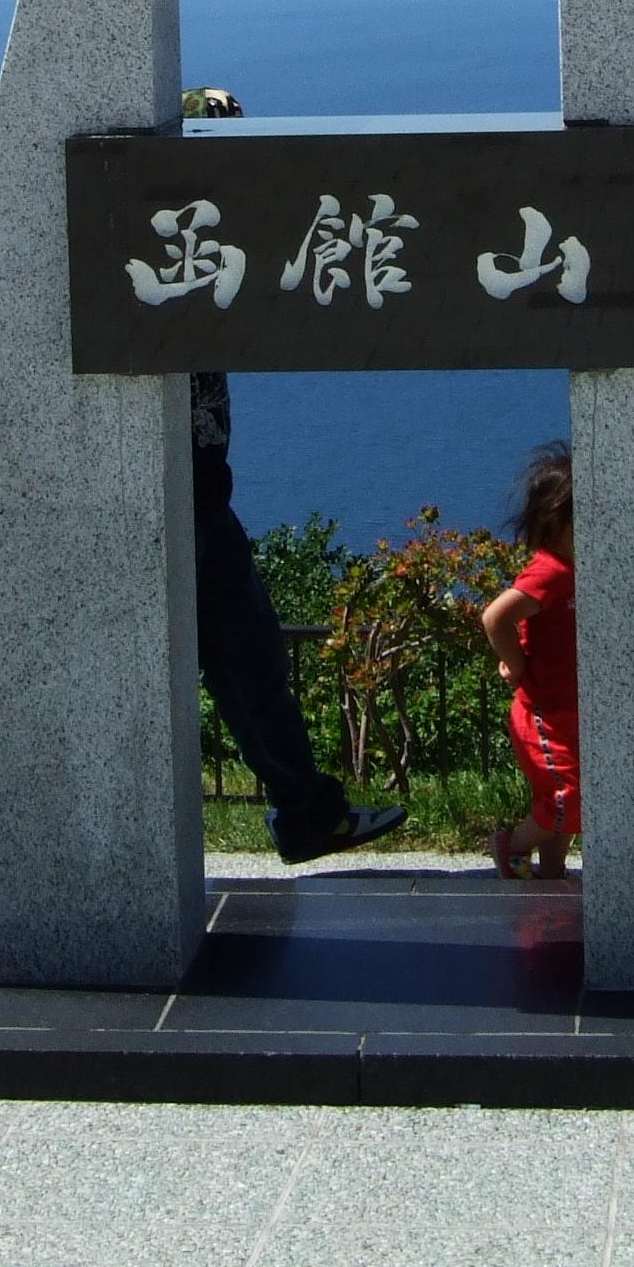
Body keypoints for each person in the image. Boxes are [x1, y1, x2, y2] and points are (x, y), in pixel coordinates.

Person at [182, 84, 406, 865]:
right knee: (246, 656)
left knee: (249, 658)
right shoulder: (182, 232)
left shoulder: (203, 240)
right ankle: (306, 811)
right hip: (184, 490)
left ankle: (306, 810)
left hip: (198, 484)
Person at [481, 441, 579, 880]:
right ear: (554, 523)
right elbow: (495, 617)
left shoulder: (572, 569)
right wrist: (516, 665)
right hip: (544, 712)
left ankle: (552, 874)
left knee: (561, 796)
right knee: (569, 798)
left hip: (567, 708)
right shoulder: (550, 571)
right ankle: (512, 846)